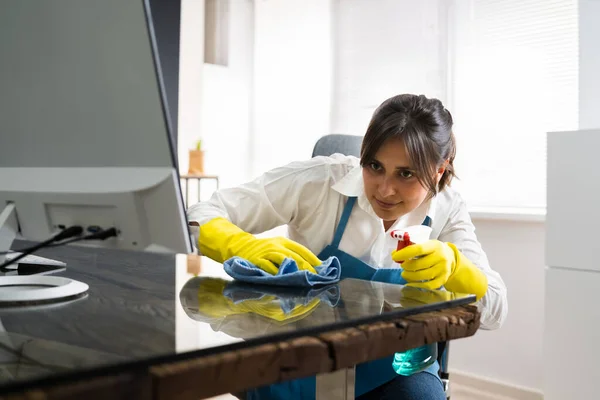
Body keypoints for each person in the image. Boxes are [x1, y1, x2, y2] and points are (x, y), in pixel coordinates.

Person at [187, 93, 508, 400]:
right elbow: (200, 214)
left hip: (395, 369)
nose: (384, 189)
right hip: (306, 359)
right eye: (375, 166)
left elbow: (496, 309)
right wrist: (239, 244)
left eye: (405, 174)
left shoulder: (447, 209)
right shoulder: (318, 183)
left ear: (439, 170)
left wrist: (457, 268)